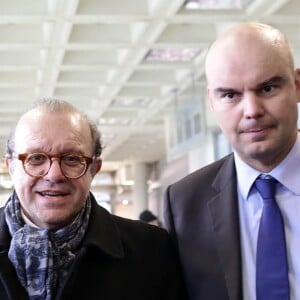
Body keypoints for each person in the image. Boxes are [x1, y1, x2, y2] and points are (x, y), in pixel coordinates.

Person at [164, 22, 300, 300]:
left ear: (297, 86)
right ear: (212, 102)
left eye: (268, 88)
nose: (251, 110)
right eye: (230, 95)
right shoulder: (184, 202)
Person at [1, 98, 187, 300]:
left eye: (72, 159)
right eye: (36, 158)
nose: (54, 175)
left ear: (94, 169)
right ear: (10, 166)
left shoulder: (152, 250)